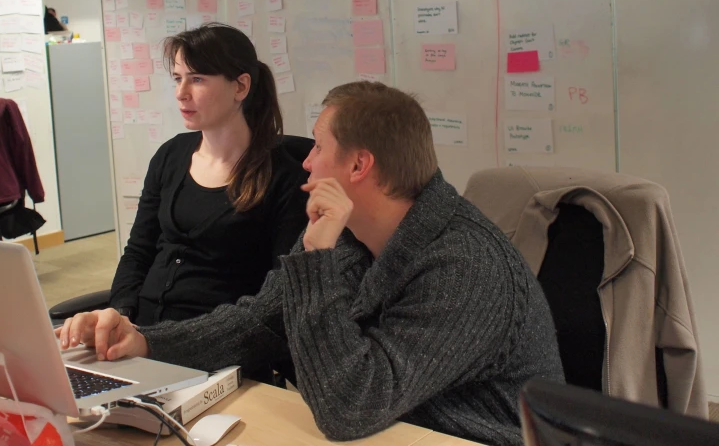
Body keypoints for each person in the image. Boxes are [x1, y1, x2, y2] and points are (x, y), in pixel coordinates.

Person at [58, 81, 564, 446]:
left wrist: (317, 260)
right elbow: (260, 322)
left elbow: (351, 406)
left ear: (359, 165)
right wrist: (147, 340)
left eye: (318, 146)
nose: (305, 161)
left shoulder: (466, 267)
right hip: (387, 425)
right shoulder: (346, 229)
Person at [108, 24, 308, 338]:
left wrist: (158, 343)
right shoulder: (171, 155)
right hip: (138, 332)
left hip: (212, 344)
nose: (181, 93)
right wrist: (119, 313)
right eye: (177, 78)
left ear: (241, 87)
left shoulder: (282, 176)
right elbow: (138, 251)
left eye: (197, 78)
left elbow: (276, 298)